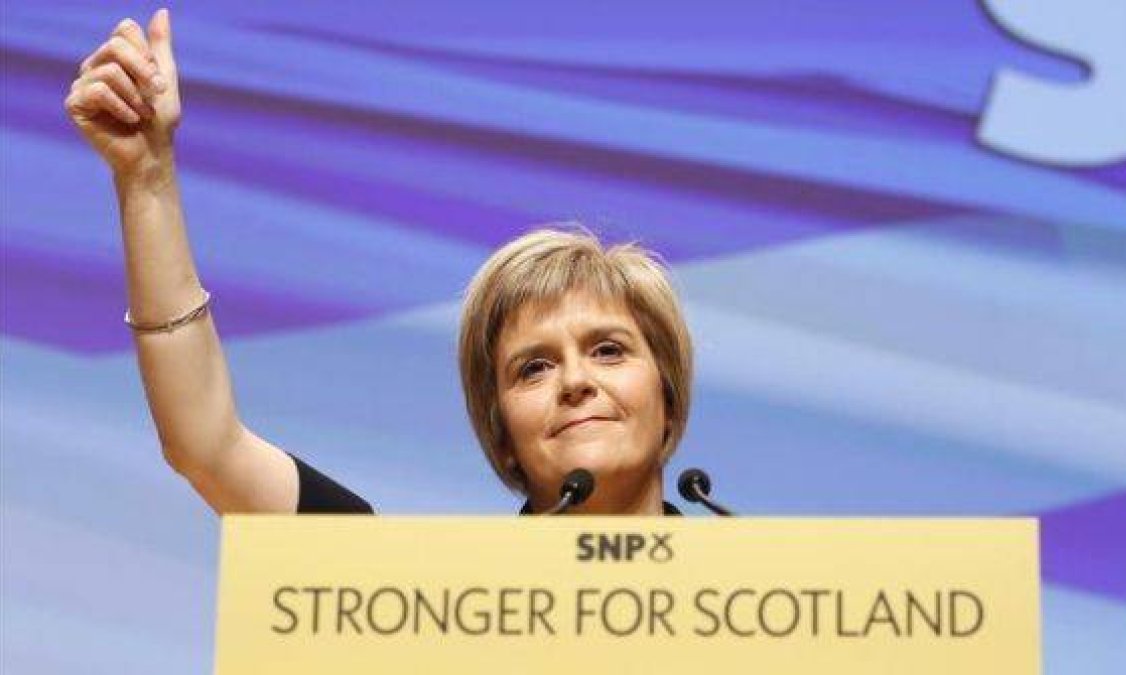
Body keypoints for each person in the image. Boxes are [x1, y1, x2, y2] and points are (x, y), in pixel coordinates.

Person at [64, 10, 693, 516]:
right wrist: (147, 179)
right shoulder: (409, 599)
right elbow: (208, 447)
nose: (576, 381)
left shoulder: (781, 603)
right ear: (501, 434)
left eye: (609, 350)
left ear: (667, 394)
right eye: (532, 368)